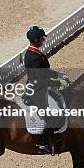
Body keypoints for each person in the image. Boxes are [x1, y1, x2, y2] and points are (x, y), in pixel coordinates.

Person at [24, 25, 69, 154]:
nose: (43, 40)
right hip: (38, 88)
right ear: (36, 40)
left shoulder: (36, 53)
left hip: (40, 85)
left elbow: (45, 71)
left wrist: (58, 75)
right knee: (52, 114)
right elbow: (42, 79)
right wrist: (58, 82)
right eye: (42, 39)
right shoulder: (34, 56)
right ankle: (43, 142)